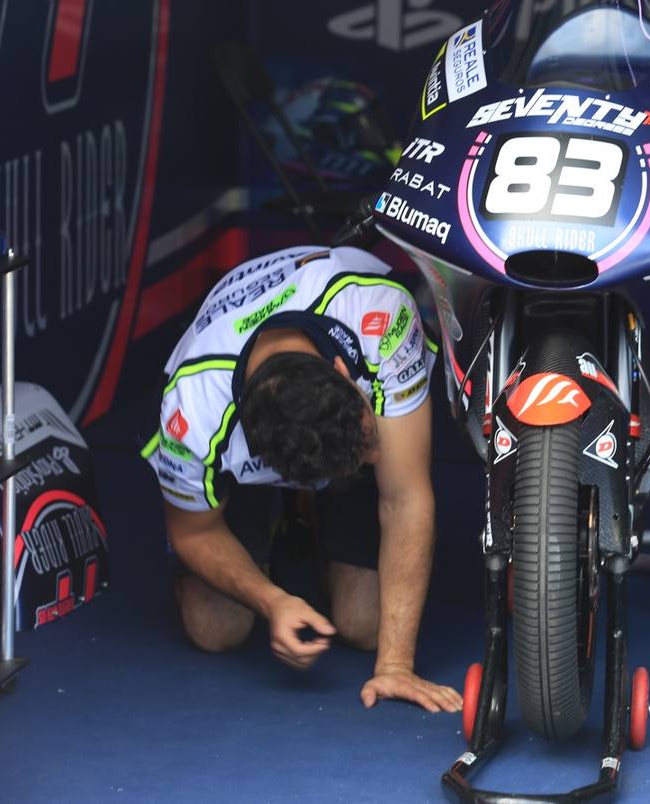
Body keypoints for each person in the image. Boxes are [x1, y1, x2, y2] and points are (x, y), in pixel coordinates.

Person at [142, 244, 461, 712]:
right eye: (366, 452)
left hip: (340, 323)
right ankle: (285, 517)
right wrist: (271, 601)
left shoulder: (382, 316)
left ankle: (314, 519)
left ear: (341, 372)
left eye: (368, 439)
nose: (378, 455)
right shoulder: (192, 409)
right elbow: (192, 531)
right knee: (215, 630)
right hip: (249, 445)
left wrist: (395, 666)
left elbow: (405, 495)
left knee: (364, 626)